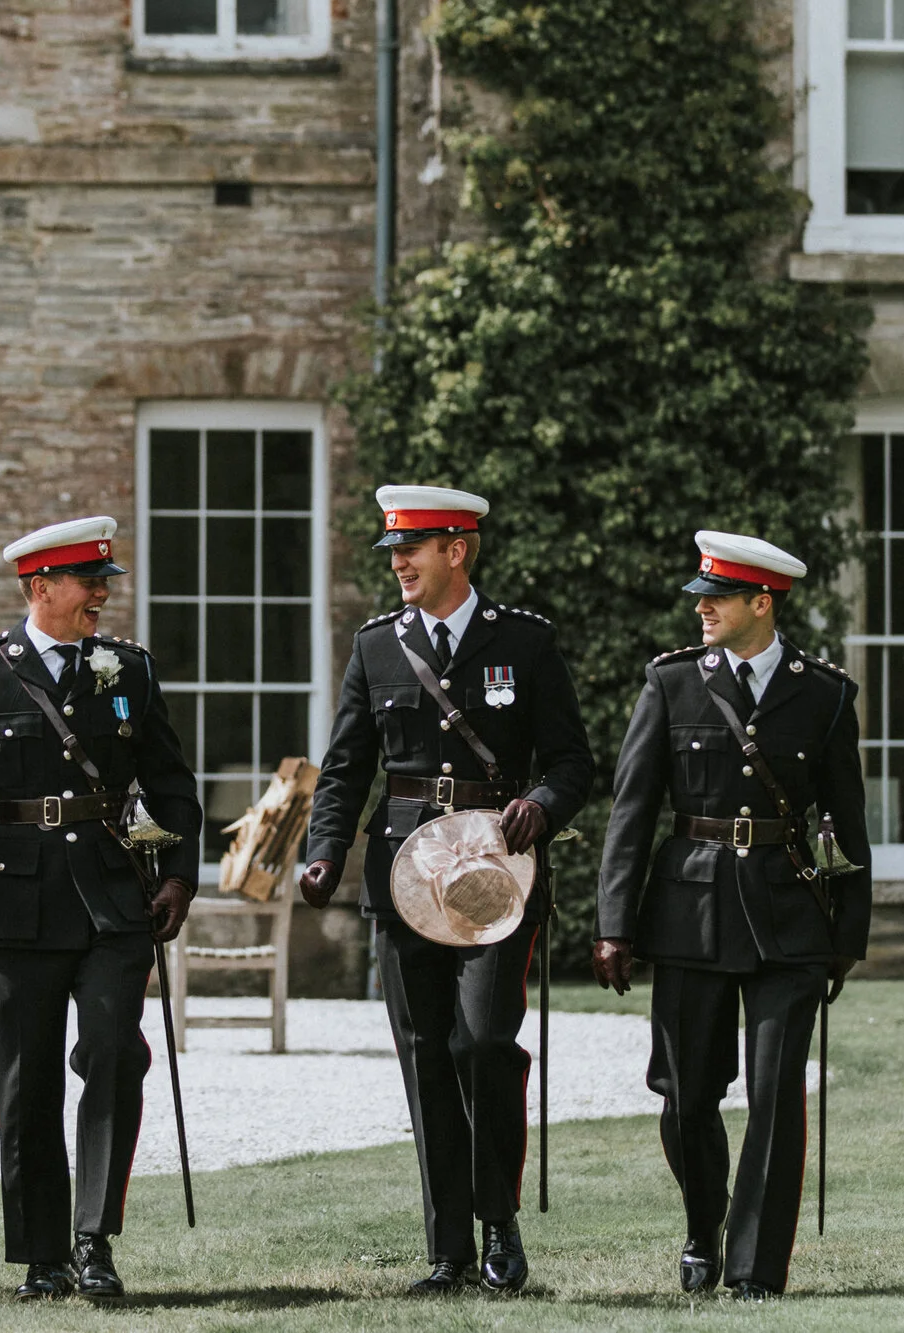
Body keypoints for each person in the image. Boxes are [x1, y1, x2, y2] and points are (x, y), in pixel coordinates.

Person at [299, 485, 594, 1294]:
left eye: (413, 548)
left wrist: (542, 803)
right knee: (427, 1054)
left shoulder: (524, 644)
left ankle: (499, 1223)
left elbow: (575, 760)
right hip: (403, 877)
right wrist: (325, 850)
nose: (397, 563)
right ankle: (449, 1251)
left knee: (484, 1040)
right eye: (393, 551)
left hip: (496, 874)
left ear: (457, 550)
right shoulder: (375, 647)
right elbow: (346, 769)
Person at [0, 515, 203, 1301]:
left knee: (114, 1051)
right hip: (12, 899)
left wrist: (177, 872)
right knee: (26, 1078)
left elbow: (170, 782)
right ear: (41, 588)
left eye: (103, 581)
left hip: (110, 893)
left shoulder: (127, 668)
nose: (102, 594)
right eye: (88, 581)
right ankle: (42, 1253)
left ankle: (93, 1238)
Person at [592, 531, 872, 1300]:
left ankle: (754, 1269)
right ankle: (702, 1223)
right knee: (686, 1094)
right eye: (700, 595)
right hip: (689, 911)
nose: (702, 606)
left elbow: (849, 822)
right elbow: (633, 810)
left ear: (763, 602)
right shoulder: (672, 682)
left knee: (778, 1094)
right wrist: (614, 922)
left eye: (718, 596)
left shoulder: (824, 694)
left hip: (789, 916)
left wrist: (845, 937)